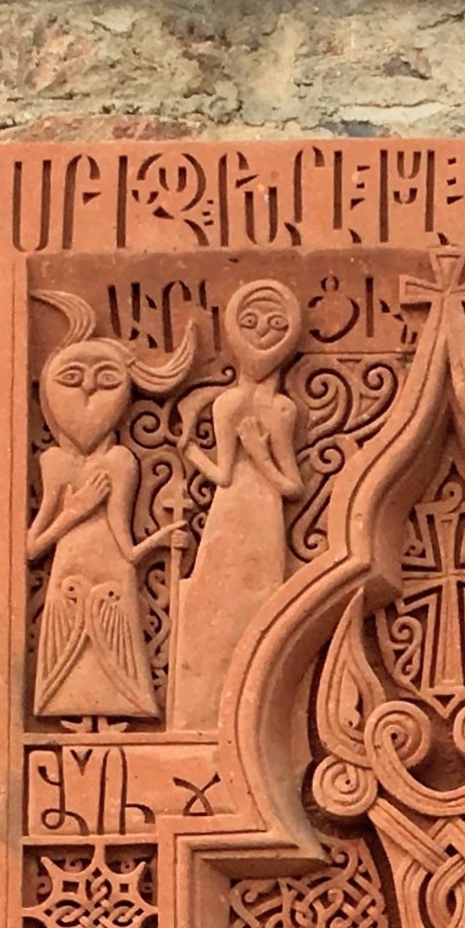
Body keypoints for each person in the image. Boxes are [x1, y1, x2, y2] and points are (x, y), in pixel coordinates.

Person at [25, 298, 198, 721]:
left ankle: (115, 717)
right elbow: (32, 549)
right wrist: (76, 511)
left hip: (112, 579)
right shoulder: (54, 463)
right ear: (48, 387)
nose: (87, 389)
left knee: (114, 647)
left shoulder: (121, 461)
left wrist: (162, 539)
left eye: (105, 379)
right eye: (72, 377)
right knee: (70, 643)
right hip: (67, 573)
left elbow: (126, 546)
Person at [169, 276, 307, 730]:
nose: (263, 333)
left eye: (275, 324)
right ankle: (205, 712)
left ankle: (258, 717)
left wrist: (260, 453)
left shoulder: (283, 410)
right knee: (215, 599)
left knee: (263, 604)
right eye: (250, 322)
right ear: (233, 330)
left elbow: (291, 486)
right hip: (229, 515)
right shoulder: (226, 405)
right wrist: (189, 451)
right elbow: (223, 474)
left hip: (265, 516)